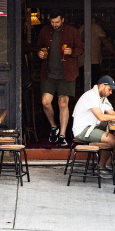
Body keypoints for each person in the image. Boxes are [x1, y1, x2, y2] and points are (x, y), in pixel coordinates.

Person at [35, 10, 84, 147]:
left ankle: (62, 135)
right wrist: (39, 53)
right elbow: (37, 47)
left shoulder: (72, 31)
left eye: (56, 22)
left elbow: (81, 49)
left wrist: (72, 52)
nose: (54, 24)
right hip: (48, 73)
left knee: (63, 103)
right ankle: (53, 126)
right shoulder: (45, 31)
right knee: (45, 102)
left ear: (63, 20)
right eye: (52, 22)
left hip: (67, 73)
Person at [70, 75, 115, 178]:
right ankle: (101, 168)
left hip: (94, 127)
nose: (111, 92)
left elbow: (111, 112)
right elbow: (101, 117)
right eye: (109, 89)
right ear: (102, 86)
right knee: (111, 140)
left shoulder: (101, 97)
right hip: (83, 130)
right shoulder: (91, 96)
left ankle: (108, 164)